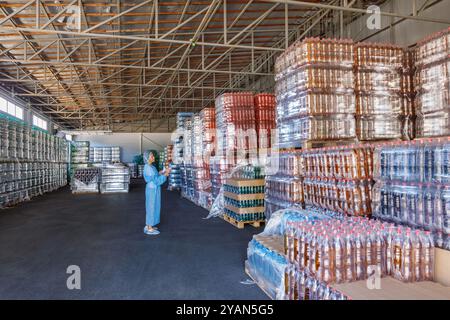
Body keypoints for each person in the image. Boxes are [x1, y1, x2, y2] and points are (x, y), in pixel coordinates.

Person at [143, 150, 170, 235]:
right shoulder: (148, 167)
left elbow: (155, 175)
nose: (153, 157)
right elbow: (156, 181)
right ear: (147, 158)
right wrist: (165, 175)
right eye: (151, 156)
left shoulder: (152, 167)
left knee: (155, 206)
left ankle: (150, 224)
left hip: (154, 189)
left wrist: (161, 172)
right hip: (152, 189)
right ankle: (149, 228)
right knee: (151, 207)